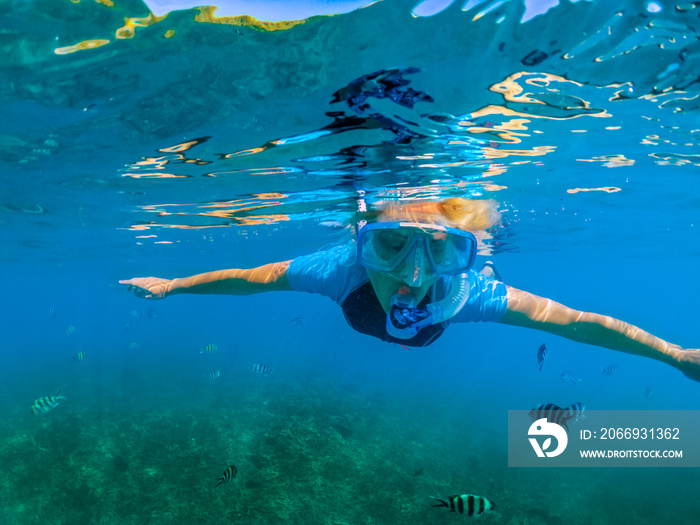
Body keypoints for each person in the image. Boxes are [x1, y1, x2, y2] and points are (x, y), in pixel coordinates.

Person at [120, 197, 700, 382]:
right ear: (360, 241)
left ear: (464, 252)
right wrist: (172, 285)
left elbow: (574, 321)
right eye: (391, 245)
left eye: (445, 248)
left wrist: (675, 356)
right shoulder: (339, 269)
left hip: (434, 317)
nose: (414, 274)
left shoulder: (470, 293)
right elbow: (253, 279)